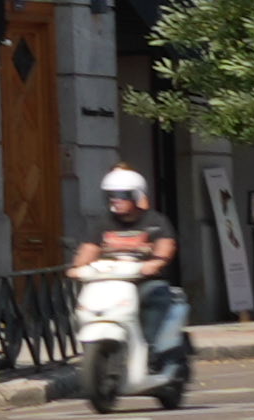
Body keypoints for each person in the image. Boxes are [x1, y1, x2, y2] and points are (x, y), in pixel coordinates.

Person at [79, 166, 193, 402]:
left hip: (147, 281)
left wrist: (156, 261)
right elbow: (89, 249)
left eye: (122, 195)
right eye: (112, 195)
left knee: (152, 301)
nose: (116, 201)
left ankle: (151, 352)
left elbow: (166, 244)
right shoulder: (104, 223)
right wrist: (77, 266)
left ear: (137, 195)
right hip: (111, 281)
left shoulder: (154, 220)